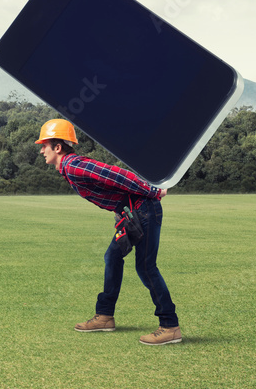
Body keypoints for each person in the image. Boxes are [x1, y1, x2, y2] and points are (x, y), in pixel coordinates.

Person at [36, 118, 182, 346]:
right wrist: (120, 213)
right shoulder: (68, 168)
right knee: (112, 256)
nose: (41, 150)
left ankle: (170, 326)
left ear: (57, 147)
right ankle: (104, 316)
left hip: (144, 209)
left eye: (44, 145)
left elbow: (116, 175)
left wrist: (153, 191)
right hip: (131, 212)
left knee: (146, 267)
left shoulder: (74, 165)